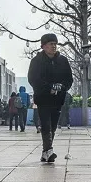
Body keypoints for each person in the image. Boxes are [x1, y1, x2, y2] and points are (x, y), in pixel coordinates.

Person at [28, 34, 73, 163]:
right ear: (43, 46)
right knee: (46, 125)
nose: (53, 46)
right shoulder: (36, 61)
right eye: (50, 44)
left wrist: (62, 87)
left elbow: (69, 79)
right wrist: (49, 87)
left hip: (58, 99)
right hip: (43, 98)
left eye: (55, 44)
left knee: (53, 126)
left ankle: (46, 152)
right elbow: (33, 79)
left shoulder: (63, 61)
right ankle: (49, 151)